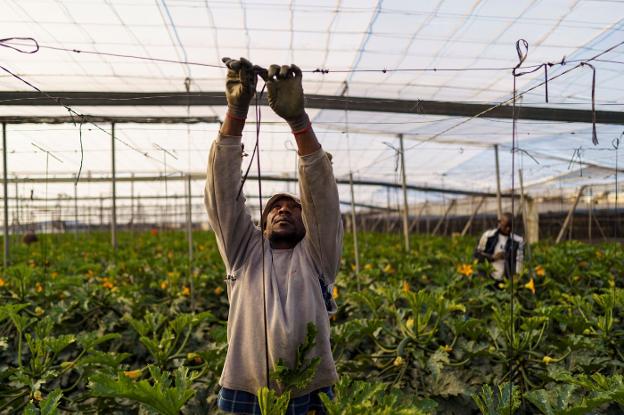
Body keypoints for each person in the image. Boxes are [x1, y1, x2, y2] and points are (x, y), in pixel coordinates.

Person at [204, 57, 343, 415]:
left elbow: (322, 197)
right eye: (274, 208)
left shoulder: (317, 255)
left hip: (311, 384)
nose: (283, 210)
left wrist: (298, 121)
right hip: (243, 385)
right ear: (261, 225)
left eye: (293, 207)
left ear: (305, 219)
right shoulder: (243, 252)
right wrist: (236, 111)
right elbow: (222, 192)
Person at [474, 212, 524, 282]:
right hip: (488, 278)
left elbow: (519, 261)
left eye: (510, 226)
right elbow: (477, 255)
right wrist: (493, 257)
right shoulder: (488, 236)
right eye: (505, 226)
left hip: (506, 280)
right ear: (499, 223)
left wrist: (517, 277)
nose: (508, 229)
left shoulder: (517, 241)